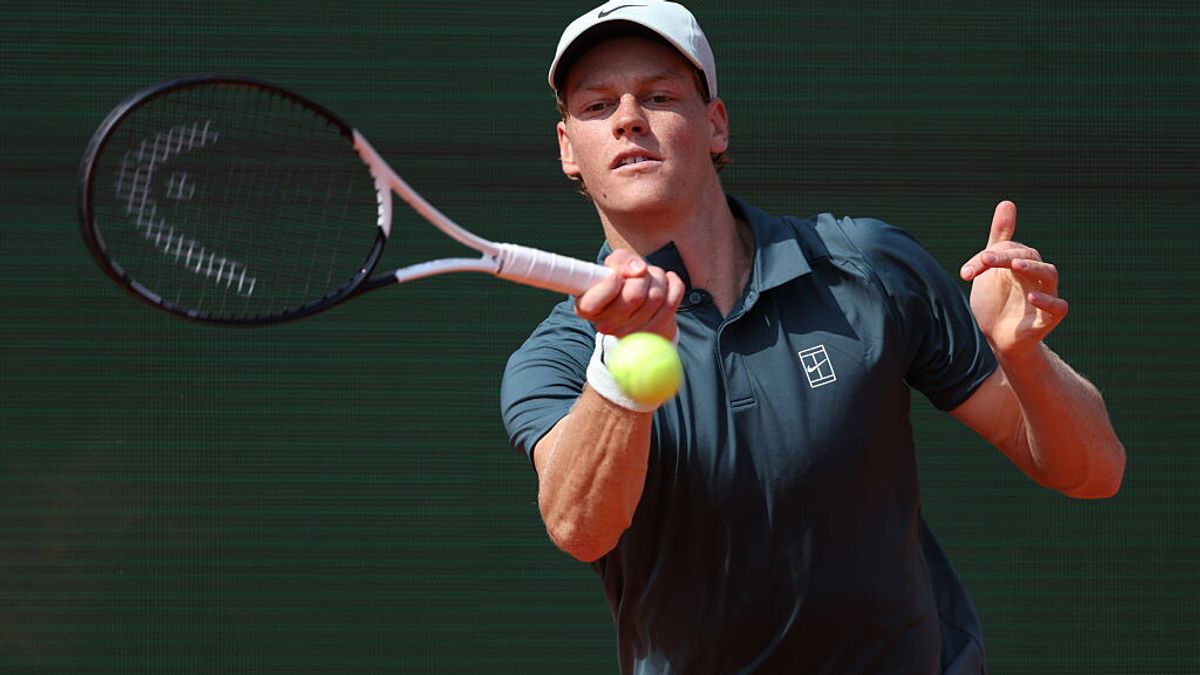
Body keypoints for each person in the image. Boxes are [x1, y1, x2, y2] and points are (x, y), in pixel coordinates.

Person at [500, 2, 1126, 673]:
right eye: (597, 106)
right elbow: (581, 526)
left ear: (715, 124)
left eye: (658, 96)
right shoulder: (560, 358)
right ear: (568, 148)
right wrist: (622, 363)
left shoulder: (868, 265)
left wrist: (1024, 357)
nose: (628, 117)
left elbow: (1093, 472)